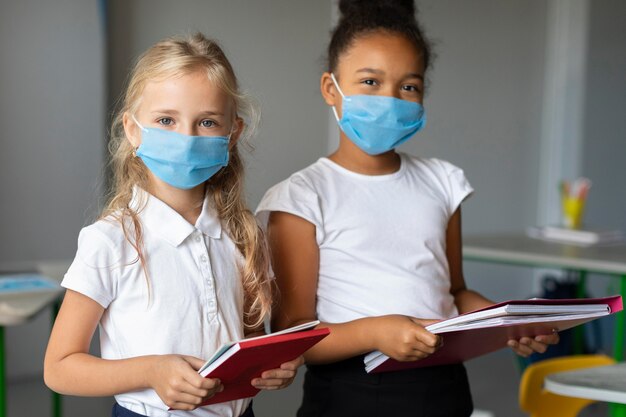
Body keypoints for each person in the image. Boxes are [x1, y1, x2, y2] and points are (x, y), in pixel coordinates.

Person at [255, 1, 559, 416]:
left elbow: (454, 292)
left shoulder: (443, 183)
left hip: (444, 390)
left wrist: (503, 320)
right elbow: (292, 333)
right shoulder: (302, 196)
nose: (391, 98)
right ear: (331, 87)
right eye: (370, 81)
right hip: (349, 395)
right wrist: (375, 331)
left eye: (409, 87)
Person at [44, 33, 302, 417]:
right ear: (133, 130)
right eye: (166, 120)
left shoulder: (243, 234)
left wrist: (269, 366)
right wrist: (151, 371)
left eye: (207, 122)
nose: (186, 138)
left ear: (232, 134)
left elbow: (247, 342)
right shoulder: (110, 241)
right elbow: (60, 368)